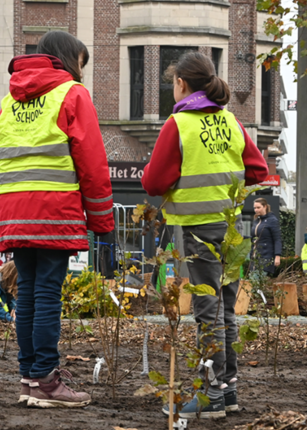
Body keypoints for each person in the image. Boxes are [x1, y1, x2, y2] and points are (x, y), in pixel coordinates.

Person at [141, 52, 268, 418]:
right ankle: (228, 390)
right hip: (232, 228)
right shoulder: (230, 121)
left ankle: (211, 393)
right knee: (226, 309)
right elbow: (257, 170)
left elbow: (153, 182)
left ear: (181, 84)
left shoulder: (178, 124)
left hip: (197, 228)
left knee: (207, 310)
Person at [0, 31, 114, 409]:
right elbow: (92, 163)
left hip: (15, 211)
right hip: (54, 210)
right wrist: (101, 220)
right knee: (46, 293)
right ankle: (46, 379)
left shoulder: (9, 102)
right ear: (68, 59)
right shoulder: (72, 95)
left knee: (26, 292)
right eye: (82, 62)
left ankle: (30, 378)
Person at [250, 197, 282, 276]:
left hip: (266, 256)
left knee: (257, 281)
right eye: (255, 208)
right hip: (255, 257)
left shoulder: (272, 220)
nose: (256, 210)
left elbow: (277, 239)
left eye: (258, 207)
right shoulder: (256, 221)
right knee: (255, 283)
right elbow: (254, 238)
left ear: (265, 207)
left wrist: (277, 256)